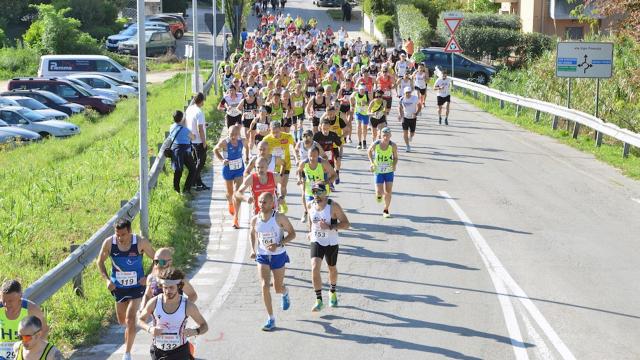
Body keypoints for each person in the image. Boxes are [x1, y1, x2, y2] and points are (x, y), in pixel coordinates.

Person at [96, 219, 155, 360]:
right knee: (122, 321)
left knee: (130, 319)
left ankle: (127, 354)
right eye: (117, 235)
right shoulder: (109, 243)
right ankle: (130, 334)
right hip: (118, 288)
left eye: (123, 234)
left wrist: (147, 277)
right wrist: (106, 280)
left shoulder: (140, 242)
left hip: (136, 287)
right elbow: (100, 262)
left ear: (130, 231)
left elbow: (156, 259)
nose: (120, 238)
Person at [249, 192, 296, 331]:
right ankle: (271, 318)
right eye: (260, 202)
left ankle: (284, 292)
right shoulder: (255, 220)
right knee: (264, 285)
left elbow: (292, 234)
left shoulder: (279, 218)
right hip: (262, 255)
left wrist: (279, 244)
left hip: (278, 255)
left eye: (264, 202)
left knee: (277, 288)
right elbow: (253, 233)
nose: (261, 205)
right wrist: (253, 249)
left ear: (272, 204)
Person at [138, 268, 208, 360]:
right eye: (165, 287)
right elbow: (140, 320)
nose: (167, 291)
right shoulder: (154, 302)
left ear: (179, 286)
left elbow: (204, 326)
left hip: (180, 351)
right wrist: (149, 329)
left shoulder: (188, 306)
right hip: (158, 351)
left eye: (171, 287)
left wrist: (195, 331)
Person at [306, 182, 350, 311]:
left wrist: (330, 226)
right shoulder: (310, 205)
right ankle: (318, 299)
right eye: (313, 191)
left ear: (325, 192)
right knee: (314, 268)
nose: (315, 194)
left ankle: (332, 291)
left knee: (332, 268)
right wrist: (310, 231)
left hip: (331, 242)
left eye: (319, 191)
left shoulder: (333, 206)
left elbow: (346, 224)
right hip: (317, 240)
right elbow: (310, 218)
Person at [0, 280, 49, 360]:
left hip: (24, 353)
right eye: (3, 301)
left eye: (10, 301)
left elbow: (44, 330)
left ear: (20, 297)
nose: (6, 305)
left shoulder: (32, 310)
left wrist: (38, 352)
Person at [214, 124, 246, 229]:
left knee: (237, 193)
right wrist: (222, 160)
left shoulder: (242, 141)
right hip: (228, 169)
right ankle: (230, 202)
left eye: (236, 134)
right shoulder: (225, 142)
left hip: (239, 169)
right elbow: (215, 150)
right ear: (228, 133)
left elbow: (248, 146)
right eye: (231, 134)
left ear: (239, 134)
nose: (233, 136)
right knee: (230, 193)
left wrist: (248, 157)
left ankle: (236, 218)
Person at [263, 120, 295, 214]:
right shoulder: (266, 139)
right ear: (270, 130)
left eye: (277, 132)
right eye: (273, 132)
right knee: (275, 187)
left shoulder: (288, 136)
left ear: (280, 130)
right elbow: (262, 153)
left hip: (286, 165)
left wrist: (296, 157)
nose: (275, 134)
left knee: (283, 187)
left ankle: (282, 201)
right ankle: (278, 204)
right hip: (273, 166)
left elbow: (293, 146)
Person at [297, 147, 336, 222]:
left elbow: (334, 175)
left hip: (322, 191)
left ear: (318, 155)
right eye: (310, 156)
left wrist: (326, 182)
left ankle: (326, 226)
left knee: (322, 211)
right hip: (310, 191)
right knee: (311, 211)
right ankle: (311, 231)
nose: (312, 158)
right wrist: (300, 179)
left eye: (314, 156)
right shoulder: (304, 163)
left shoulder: (323, 163)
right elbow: (299, 171)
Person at [367, 127, 398, 218]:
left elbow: (395, 157)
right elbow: (369, 151)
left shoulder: (393, 145)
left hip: (389, 171)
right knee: (379, 192)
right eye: (384, 135)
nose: (385, 137)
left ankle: (386, 210)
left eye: (387, 135)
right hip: (378, 171)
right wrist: (372, 163)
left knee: (388, 191)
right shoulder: (376, 143)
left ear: (390, 135)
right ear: (380, 135)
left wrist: (394, 164)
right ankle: (379, 196)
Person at [185, 93, 209, 191]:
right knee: (200, 162)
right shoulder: (199, 112)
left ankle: (199, 184)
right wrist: (204, 142)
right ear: (202, 101)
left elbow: (191, 123)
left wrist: (204, 125)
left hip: (191, 139)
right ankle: (192, 182)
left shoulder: (189, 109)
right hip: (199, 140)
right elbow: (200, 129)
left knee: (196, 161)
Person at [169, 110, 196, 195]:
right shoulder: (185, 129)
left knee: (178, 171)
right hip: (185, 152)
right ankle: (186, 189)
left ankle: (176, 190)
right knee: (192, 169)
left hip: (175, 151)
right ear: (182, 118)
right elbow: (193, 138)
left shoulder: (171, 127)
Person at [398, 86, 422, 153]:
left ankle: (410, 137)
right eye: (406, 93)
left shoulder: (415, 98)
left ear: (411, 92)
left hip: (413, 118)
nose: (408, 94)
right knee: (405, 132)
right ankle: (407, 146)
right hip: (405, 117)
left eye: (409, 92)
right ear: (404, 93)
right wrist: (400, 114)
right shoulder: (402, 99)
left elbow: (419, 106)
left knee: (412, 133)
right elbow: (400, 107)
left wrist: (416, 113)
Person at [350, 84, 369, 150]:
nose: (362, 91)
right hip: (358, 113)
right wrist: (351, 106)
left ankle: (364, 141)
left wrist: (365, 103)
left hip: (365, 113)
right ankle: (359, 142)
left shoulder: (367, 95)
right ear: (359, 90)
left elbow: (370, 103)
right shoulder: (356, 94)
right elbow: (351, 98)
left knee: (364, 128)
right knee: (358, 126)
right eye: (361, 90)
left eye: (363, 90)